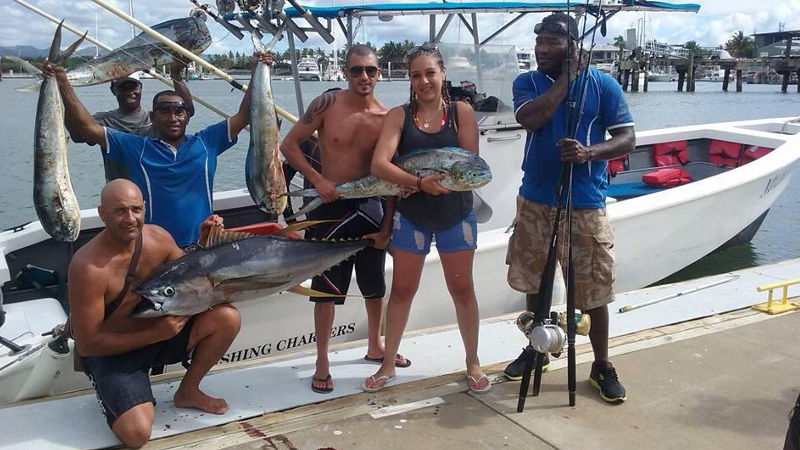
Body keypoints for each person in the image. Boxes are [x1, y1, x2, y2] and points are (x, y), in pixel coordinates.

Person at [504, 12, 636, 403]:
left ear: (573, 45)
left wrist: (590, 153)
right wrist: (566, 81)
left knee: (593, 291)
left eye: (552, 42)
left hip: (585, 203)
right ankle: (537, 349)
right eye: (539, 41)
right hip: (535, 201)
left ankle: (602, 364)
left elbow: (627, 138)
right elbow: (531, 118)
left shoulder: (605, 86)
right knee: (533, 283)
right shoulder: (527, 82)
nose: (541, 48)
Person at [67, 179, 240, 448]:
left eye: (136, 209)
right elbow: (88, 344)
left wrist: (205, 246)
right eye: (119, 211)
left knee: (227, 318)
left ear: (145, 207)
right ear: (102, 213)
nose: (130, 219)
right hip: (112, 353)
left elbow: (192, 275)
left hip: (160, 335)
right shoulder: (88, 267)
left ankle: (188, 391)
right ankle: (117, 393)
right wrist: (155, 333)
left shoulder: (158, 237)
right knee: (136, 435)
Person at [41, 51, 272, 248]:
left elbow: (244, 115)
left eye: (179, 111)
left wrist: (257, 70)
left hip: (204, 242)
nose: (173, 117)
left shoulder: (206, 141)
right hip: (153, 249)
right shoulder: (137, 147)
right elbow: (87, 128)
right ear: (153, 117)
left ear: (187, 116)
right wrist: (62, 82)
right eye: (164, 111)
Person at [363, 42, 489, 394]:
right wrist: (418, 183)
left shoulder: (462, 112)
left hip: (456, 214)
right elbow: (379, 165)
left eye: (430, 73)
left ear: (443, 73)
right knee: (402, 290)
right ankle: (388, 364)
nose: (424, 81)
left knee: (462, 288)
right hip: (413, 216)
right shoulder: (398, 116)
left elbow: (470, 165)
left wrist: (438, 183)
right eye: (416, 75)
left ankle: (472, 362)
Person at [280, 44, 404, 394]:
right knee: (326, 291)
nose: (363, 77)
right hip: (328, 207)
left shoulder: (388, 117)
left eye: (370, 70)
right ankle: (322, 359)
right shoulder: (327, 104)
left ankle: (376, 344)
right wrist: (318, 180)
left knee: (374, 283)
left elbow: (393, 176)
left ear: (379, 72)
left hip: (370, 206)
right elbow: (289, 145)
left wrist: (388, 224)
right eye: (356, 70)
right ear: (345, 72)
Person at [89, 58, 196, 181]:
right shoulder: (103, 121)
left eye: (133, 86)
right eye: (124, 87)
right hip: (122, 195)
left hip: (155, 189)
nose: (130, 92)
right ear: (113, 90)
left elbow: (188, 110)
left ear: (140, 87)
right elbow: (78, 133)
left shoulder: (155, 119)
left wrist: (176, 75)